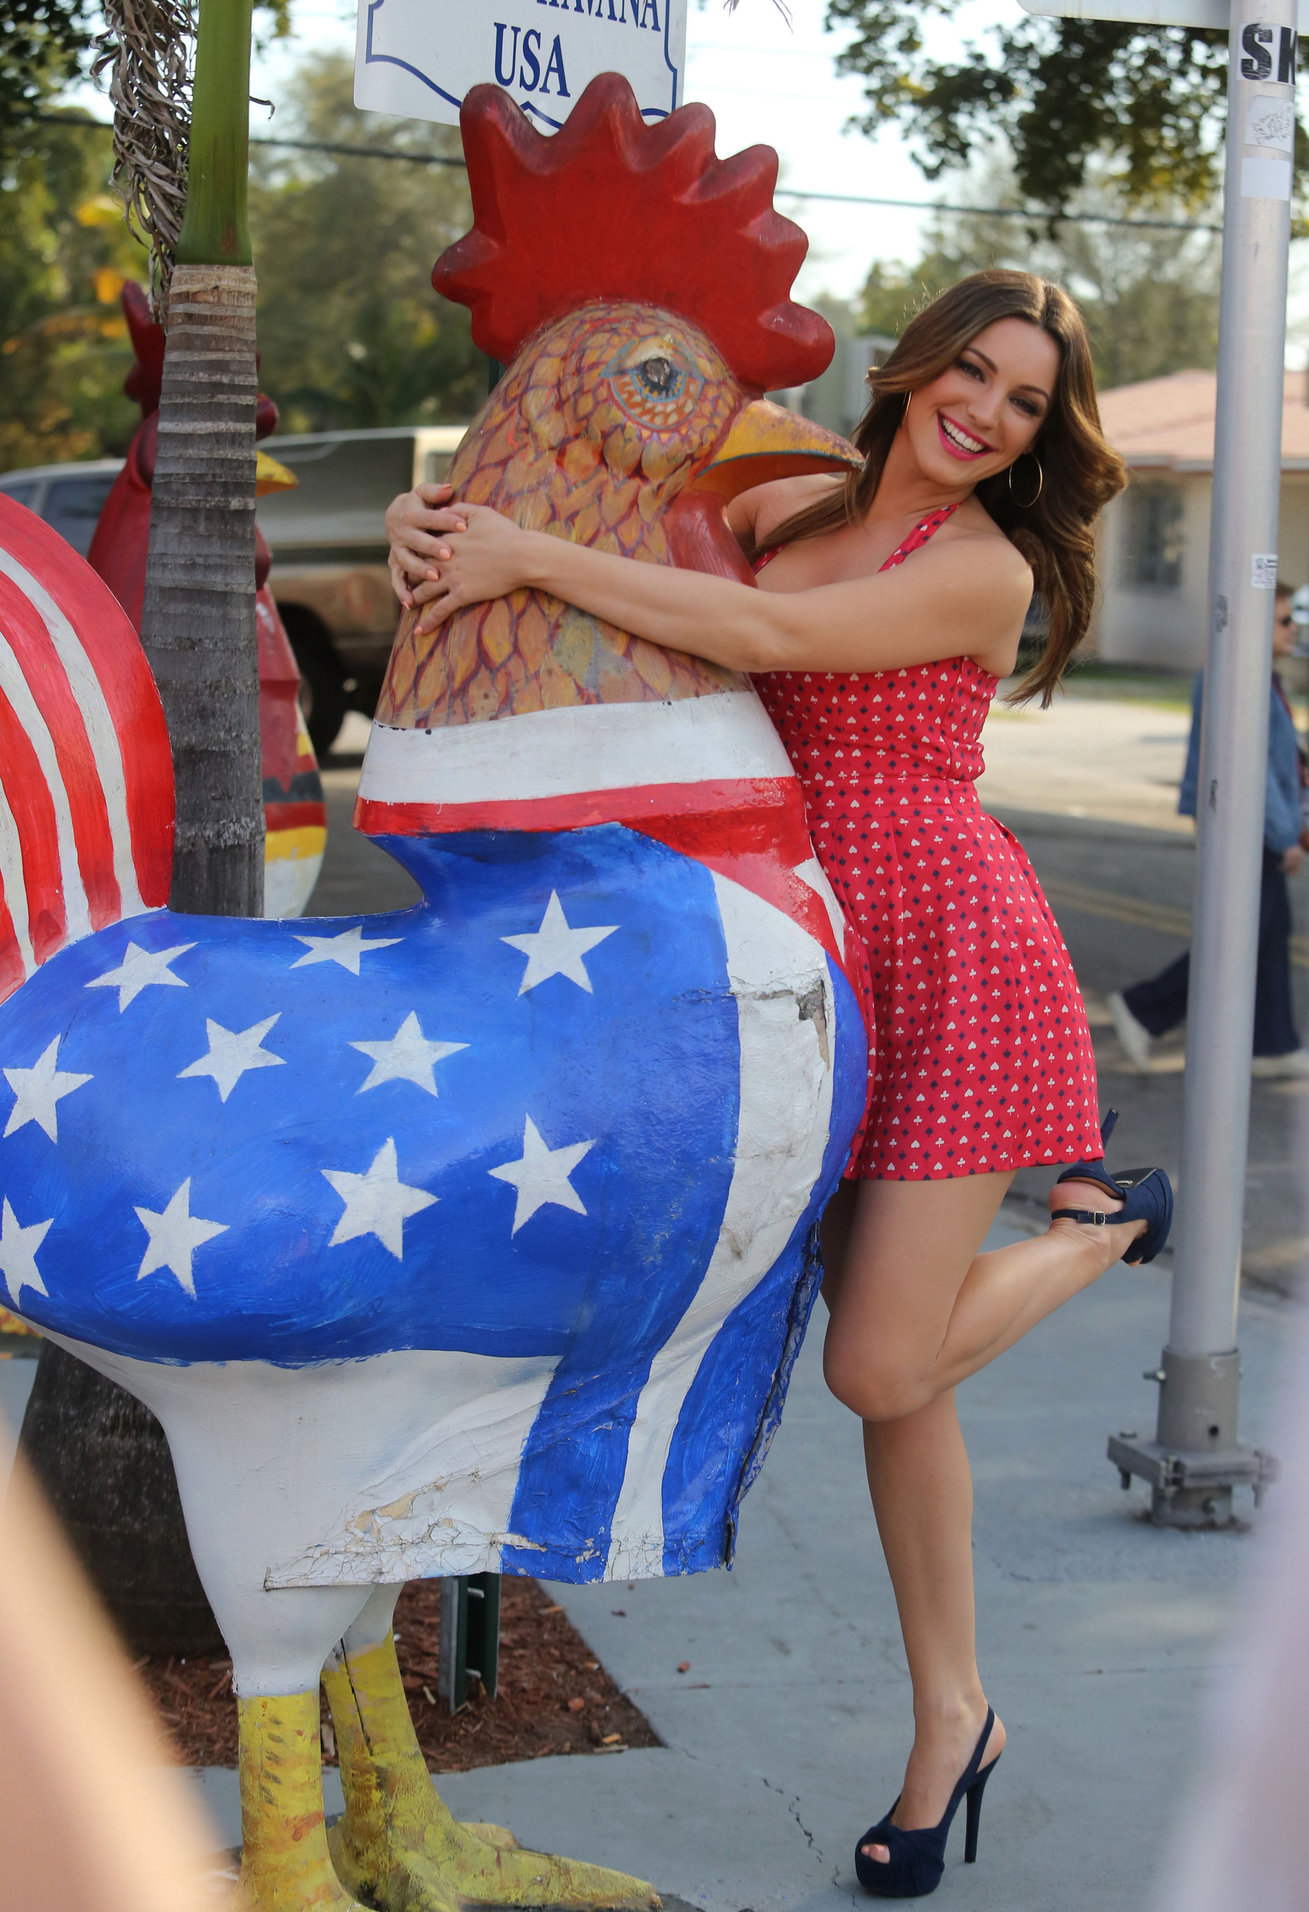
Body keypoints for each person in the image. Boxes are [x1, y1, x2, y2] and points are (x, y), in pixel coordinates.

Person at [384, 270, 1174, 1899]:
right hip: (796, 960)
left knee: (878, 1366)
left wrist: (524, 554)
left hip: (943, 948)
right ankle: (952, 1713)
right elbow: (606, 523)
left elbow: (752, 637)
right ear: (921, 361)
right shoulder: (798, 492)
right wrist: (434, 522)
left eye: (1026, 403)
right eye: (977, 371)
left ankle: (1101, 1230)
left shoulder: (978, 566)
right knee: (912, 1392)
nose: (989, 413)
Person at [1109, 579, 1309, 1078]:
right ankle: (1143, 1009)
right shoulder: (1239, 678)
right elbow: (1253, 771)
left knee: (1268, 929)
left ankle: (1272, 1043)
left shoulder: (1259, 677)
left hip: (1254, 823)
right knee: (1237, 935)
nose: (1294, 629)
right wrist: (1286, 836)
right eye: (1285, 620)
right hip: (1246, 827)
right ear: (1258, 624)